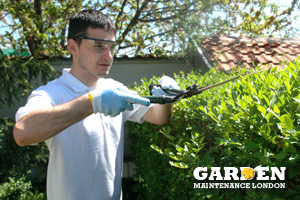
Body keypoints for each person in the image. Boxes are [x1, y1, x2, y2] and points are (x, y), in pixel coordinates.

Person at [13, 9, 179, 200]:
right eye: (99, 46)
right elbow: (22, 133)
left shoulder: (115, 89)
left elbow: (158, 117)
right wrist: (91, 103)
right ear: (73, 47)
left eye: (111, 47)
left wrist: (167, 99)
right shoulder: (52, 93)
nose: (108, 56)